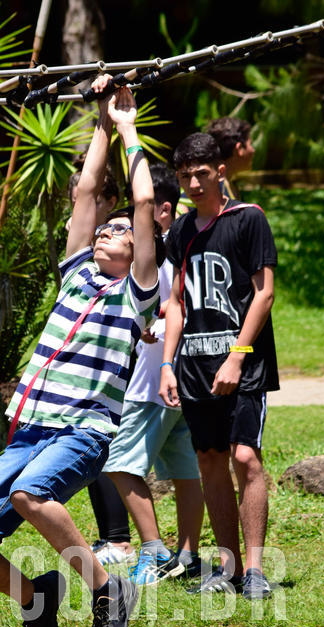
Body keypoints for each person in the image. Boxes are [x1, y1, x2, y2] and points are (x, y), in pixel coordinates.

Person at [0, 75, 160, 627]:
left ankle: (107, 591)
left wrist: (128, 128)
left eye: (120, 232)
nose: (107, 231)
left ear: (141, 251)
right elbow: (87, 191)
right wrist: (100, 120)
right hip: (31, 431)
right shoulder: (76, 276)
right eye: (105, 227)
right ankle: (36, 600)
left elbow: (144, 204)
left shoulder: (136, 294)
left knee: (29, 495)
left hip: (83, 430)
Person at [159, 133, 278, 599]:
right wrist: (167, 364)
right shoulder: (181, 231)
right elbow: (175, 303)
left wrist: (237, 356)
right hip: (193, 364)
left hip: (243, 363)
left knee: (245, 456)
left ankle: (255, 570)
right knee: (209, 459)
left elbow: (264, 294)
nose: (193, 183)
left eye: (202, 173)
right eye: (185, 175)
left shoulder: (248, 218)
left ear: (220, 171)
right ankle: (228, 568)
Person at [103, 164, 205, 585]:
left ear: (162, 209)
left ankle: (154, 552)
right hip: (179, 374)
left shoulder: (155, 249)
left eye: (139, 210)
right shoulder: (184, 245)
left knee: (119, 463)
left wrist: (152, 330)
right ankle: (189, 555)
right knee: (185, 469)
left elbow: (165, 308)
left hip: (151, 380)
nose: (133, 220)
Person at [67, 157, 136, 567]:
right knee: (94, 448)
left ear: (110, 201)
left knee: (108, 446)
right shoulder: (85, 247)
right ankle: (111, 537)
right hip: (86, 368)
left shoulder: (128, 241)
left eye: (89, 200)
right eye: (75, 199)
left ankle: (119, 538)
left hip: (118, 365)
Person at [205, 117, 255, 200]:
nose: (253, 150)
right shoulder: (218, 193)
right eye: (250, 144)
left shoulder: (227, 185)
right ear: (239, 149)